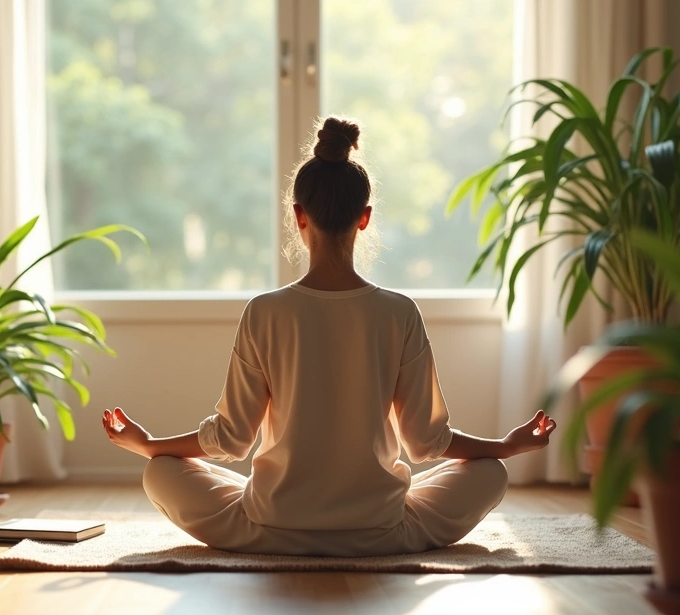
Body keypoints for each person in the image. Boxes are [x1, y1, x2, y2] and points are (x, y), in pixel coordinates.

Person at [102, 115, 557, 557]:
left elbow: (231, 439)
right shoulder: (399, 312)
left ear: (299, 216)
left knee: (159, 472)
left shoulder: (264, 312)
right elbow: (426, 443)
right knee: (491, 472)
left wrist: (150, 445)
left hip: (270, 528)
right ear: (365, 218)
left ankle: (280, 526)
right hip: (381, 531)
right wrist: (506, 447)